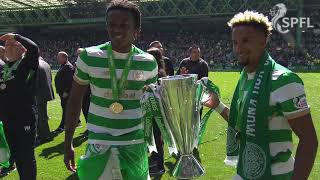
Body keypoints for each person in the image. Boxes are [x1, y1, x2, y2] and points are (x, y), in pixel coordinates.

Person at [205, 11, 318, 180]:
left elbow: (309, 140)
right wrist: (217, 105)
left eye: (246, 41)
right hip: (246, 171)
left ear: (264, 41)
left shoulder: (283, 80)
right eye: (235, 42)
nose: (238, 48)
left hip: (276, 175)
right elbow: (245, 124)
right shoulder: (246, 78)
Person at [64, 1, 158, 179]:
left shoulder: (148, 62)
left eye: (124, 25)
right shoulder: (89, 56)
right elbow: (75, 100)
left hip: (135, 143)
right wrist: (68, 142)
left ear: (137, 29)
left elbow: (152, 105)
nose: (117, 30)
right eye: (112, 24)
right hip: (99, 142)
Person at [0, 33, 39, 180]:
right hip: (8, 120)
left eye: (13, 44)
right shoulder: (3, 69)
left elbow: (34, 48)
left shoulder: (27, 64)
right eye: (6, 45)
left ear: (22, 50)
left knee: (26, 157)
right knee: (16, 155)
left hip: (25, 118)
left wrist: (16, 36)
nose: (8, 47)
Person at [146, 47, 166, 176]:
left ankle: (160, 166)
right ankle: (154, 162)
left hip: (156, 111)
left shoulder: (158, 73)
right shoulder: (158, 72)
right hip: (152, 110)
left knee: (158, 139)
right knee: (153, 137)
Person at [54, 51, 76, 133]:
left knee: (66, 109)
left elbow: (70, 81)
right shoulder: (64, 66)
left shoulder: (68, 67)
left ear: (64, 57)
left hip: (65, 94)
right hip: (62, 93)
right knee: (65, 109)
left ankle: (62, 126)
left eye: (59, 57)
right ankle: (70, 123)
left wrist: (66, 91)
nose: (57, 59)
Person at [36, 57, 55, 144]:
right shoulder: (45, 63)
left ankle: (44, 136)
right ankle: (43, 134)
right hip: (45, 93)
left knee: (41, 116)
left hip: (38, 94)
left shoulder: (36, 65)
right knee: (42, 115)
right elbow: (50, 78)